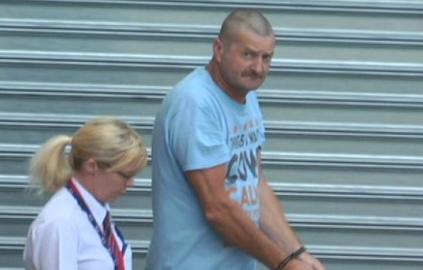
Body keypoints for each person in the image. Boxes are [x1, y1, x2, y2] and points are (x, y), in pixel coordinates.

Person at [146, 8, 326, 270]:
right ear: (219, 50)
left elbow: (254, 185)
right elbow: (218, 208)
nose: (258, 68)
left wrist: (297, 254)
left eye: (267, 57)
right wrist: (284, 264)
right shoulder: (196, 104)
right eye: (248, 55)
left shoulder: (246, 96)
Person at [23, 117, 148, 270]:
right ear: (92, 166)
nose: (131, 184)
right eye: (126, 176)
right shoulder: (61, 224)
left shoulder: (96, 213)